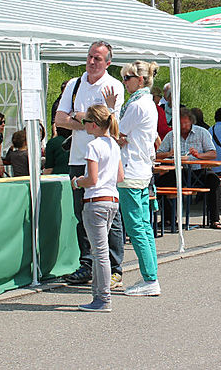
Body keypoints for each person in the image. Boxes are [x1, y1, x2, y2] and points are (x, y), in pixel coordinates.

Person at [54, 41, 125, 288]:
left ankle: (114, 268)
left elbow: (111, 122)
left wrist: (79, 116)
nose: (92, 62)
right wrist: (88, 118)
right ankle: (87, 264)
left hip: (104, 157)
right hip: (78, 157)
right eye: (90, 57)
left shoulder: (113, 86)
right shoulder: (74, 84)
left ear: (108, 63)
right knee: (81, 215)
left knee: (109, 215)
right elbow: (60, 120)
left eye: (98, 58)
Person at [70, 104, 124, 313]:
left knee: (99, 252)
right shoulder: (113, 144)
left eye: (85, 122)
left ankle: (102, 298)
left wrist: (77, 182)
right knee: (101, 251)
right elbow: (120, 176)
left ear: (93, 124)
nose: (83, 126)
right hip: (112, 199)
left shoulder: (94, 146)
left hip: (96, 201)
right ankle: (99, 295)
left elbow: (91, 179)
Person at [114, 61, 161, 297]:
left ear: (140, 80)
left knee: (136, 228)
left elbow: (117, 132)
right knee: (143, 226)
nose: (125, 82)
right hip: (142, 170)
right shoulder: (148, 103)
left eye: (128, 78)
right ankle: (150, 275)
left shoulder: (136, 106)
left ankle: (150, 278)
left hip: (132, 171)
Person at [155, 107, 221, 229]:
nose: (183, 126)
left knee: (215, 181)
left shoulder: (202, 132)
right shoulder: (171, 135)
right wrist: (169, 154)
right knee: (160, 183)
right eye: (180, 123)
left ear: (191, 121)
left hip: (198, 171)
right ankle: (167, 218)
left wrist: (199, 155)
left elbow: (213, 153)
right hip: (179, 171)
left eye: (185, 123)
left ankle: (214, 219)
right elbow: (158, 154)